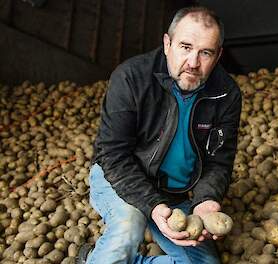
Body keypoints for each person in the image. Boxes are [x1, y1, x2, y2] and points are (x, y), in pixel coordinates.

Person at [77, 6, 241, 264]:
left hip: (173, 193)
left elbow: (219, 162)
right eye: (185, 47)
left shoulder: (226, 94)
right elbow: (113, 155)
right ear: (167, 43)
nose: (193, 63)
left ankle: (94, 259)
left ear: (218, 55)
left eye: (205, 53)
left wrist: (205, 200)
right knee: (127, 230)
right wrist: (153, 206)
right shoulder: (131, 78)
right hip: (120, 177)